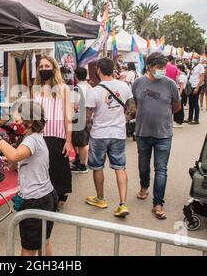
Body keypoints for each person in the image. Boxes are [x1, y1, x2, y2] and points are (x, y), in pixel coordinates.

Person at [0, 100, 57, 256]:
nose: (15, 123)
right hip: (45, 196)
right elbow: (19, 157)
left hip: (36, 200)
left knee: (29, 247)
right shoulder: (36, 137)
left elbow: (16, 154)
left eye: (18, 120)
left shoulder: (31, 140)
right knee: (43, 242)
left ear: (29, 122)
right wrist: (9, 159)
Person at [132, 53, 181, 220]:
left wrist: (164, 116)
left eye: (164, 67)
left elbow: (176, 106)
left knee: (161, 169)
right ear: (149, 67)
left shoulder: (170, 84)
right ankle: (144, 187)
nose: (163, 71)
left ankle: (158, 203)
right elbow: (136, 104)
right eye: (159, 68)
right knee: (143, 165)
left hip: (163, 134)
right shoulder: (138, 83)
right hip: (142, 133)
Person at [85, 58, 136, 217]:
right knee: (120, 167)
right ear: (113, 69)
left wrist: (89, 127)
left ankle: (100, 198)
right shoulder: (124, 86)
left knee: (97, 167)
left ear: (98, 69)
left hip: (99, 134)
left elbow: (87, 116)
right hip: (118, 133)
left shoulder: (94, 91)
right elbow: (133, 108)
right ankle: (123, 204)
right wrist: (124, 119)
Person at [33, 55, 73, 208]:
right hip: (39, 136)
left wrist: (68, 141)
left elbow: (68, 116)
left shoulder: (63, 88)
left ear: (54, 68)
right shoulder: (35, 89)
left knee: (57, 168)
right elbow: (34, 114)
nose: (44, 69)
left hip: (57, 135)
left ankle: (59, 197)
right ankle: (45, 198)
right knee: (42, 168)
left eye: (47, 66)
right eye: (41, 67)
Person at [71, 67, 92, 174]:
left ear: (76, 76)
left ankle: (82, 165)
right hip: (88, 117)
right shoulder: (89, 86)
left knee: (81, 143)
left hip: (79, 116)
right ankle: (79, 160)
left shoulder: (77, 88)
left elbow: (74, 106)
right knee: (80, 140)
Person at [185, 59, 204, 124]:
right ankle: (189, 118)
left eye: (195, 58)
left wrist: (197, 87)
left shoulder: (200, 66)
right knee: (190, 103)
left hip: (196, 86)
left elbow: (202, 78)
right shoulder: (193, 65)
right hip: (191, 86)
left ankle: (196, 119)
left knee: (195, 102)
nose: (194, 59)